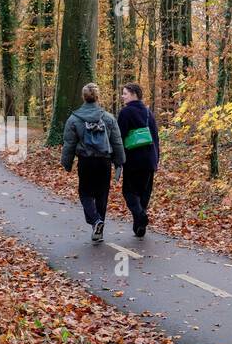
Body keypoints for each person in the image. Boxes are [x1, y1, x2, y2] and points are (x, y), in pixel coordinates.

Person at [61, 83, 125, 242]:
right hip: (104, 161)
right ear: (98, 97)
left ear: (83, 97)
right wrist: (120, 162)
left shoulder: (74, 119)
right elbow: (117, 142)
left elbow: (69, 143)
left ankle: (96, 221)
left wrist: (67, 163)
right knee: (102, 194)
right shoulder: (108, 118)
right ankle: (99, 230)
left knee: (85, 193)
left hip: (86, 161)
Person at [117, 83, 160, 238]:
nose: (123, 96)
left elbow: (119, 137)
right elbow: (155, 138)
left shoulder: (125, 113)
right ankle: (139, 227)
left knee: (129, 192)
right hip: (149, 159)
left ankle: (141, 217)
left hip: (133, 160)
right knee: (144, 193)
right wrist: (157, 159)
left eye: (125, 93)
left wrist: (117, 158)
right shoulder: (149, 112)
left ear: (134, 94)